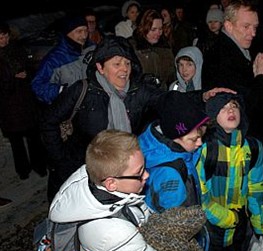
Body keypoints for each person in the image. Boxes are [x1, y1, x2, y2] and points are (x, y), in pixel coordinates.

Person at [40, 35, 234, 203]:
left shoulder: (136, 91)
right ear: (100, 67)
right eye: (117, 64)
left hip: (122, 172)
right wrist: (60, 159)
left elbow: (167, 99)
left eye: (127, 63)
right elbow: (48, 121)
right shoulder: (82, 91)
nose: (124, 69)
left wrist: (202, 96)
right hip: (79, 173)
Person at [48, 129, 188, 251]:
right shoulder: (112, 235)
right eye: (139, 173)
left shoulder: (95, 184)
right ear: (111, 183)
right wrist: (186, 246)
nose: (147, 175)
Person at [196, 92, 263, 251]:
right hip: (209, 230)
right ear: (212, 116)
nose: (231, 110)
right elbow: (200, 195)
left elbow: (257, 188)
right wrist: (226, 218)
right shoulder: (204, 148)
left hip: (240, 229)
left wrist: (260, 225)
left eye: (234, 105)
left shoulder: (253, 147)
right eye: (223, 107)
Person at [202, 0, 263, 146]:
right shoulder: (221, 58)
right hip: (236, 145)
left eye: (255, 27)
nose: (252, 33)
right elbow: (245, 106)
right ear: (228, 25)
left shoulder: (240, 50)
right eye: (246, 27)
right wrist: (261, 77)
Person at [138, 91, 209, 212]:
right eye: (194, 139)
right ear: (175, 137)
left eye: (201, 136)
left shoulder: (179, 150)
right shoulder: (170, 175)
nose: (200, 143)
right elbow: (175, 223)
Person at [0, 22, 47, 180]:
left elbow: (31, 68)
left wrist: (27, 74)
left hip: (26, 101)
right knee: (16, 142)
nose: (3, 40)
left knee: (34, 137)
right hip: (8, 106)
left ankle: (39, 165)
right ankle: (23, 170)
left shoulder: (17, 49)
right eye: (0, 37)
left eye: (5, 36)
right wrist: (12, 79)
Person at [31, 14, 95, 105]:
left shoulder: (93, 49)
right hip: (70, 111)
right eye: (79, 31)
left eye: (85, 30)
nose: (84, 35)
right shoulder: (54, 59)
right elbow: (37, 86)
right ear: (67, 33)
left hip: (93, 107)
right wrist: (61, 91)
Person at [130, 9, 176, 91]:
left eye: (160, 29)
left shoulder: (165, 48)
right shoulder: (133, 48)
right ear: (143, 28)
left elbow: (172, 78)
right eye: (153, 29)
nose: (158, 33)